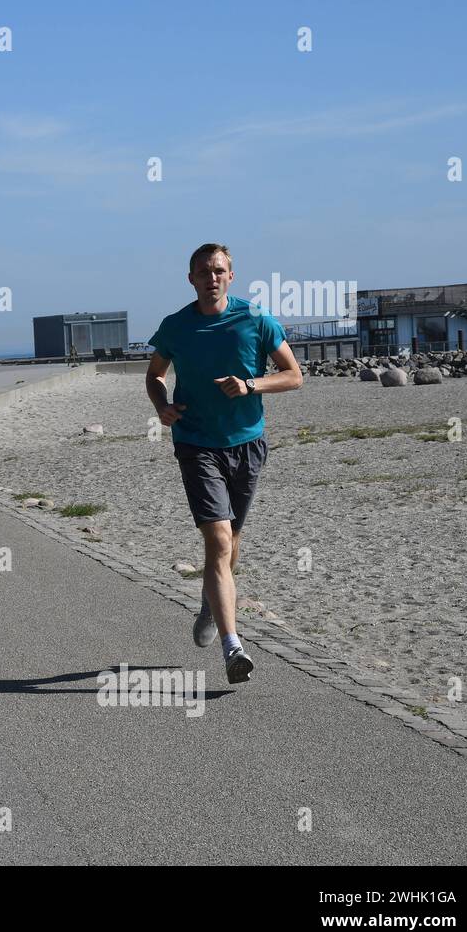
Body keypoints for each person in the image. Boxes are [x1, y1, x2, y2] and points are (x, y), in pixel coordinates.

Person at [146, 243, 303, 684]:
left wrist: (251, 385)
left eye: (218, 271)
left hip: (248, 444)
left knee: (232, 540)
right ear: (191, 278)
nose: (211, 278)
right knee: (217, 541)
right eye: (202, 272)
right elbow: (154, 375)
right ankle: (233, 648)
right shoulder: (176, 326)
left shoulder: (255, 319)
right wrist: (163, 406)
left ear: (231, 276)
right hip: (196, 443)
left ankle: (210, 604)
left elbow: (294, 375)